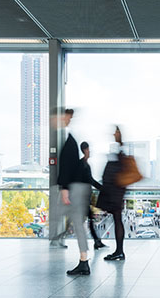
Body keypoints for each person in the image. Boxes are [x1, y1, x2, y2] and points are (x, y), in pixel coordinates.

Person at [53, 109, 92, 275]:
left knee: (75, 223)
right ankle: (83, 260)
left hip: (74, 190)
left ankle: (83, 261)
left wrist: (64, 189)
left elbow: (67, 168)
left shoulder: (69, 141)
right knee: (77, 224)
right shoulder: (69, 140)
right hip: (77, 189)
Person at [97, 126, 127, 261]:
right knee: (117, 220)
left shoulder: (120, 152)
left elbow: (113, 173)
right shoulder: (120, 153)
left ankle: (119, 251)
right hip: (117, 193)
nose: (114, 134)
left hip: (115, 193)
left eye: (116, 132)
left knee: (117, 220)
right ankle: (119, 251)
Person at [79, 141, 107, 250]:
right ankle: (58, 237)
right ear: (85, 150)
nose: (89, 151)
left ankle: (97, 241)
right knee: (83, 220)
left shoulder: (84, 164)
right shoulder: (83, 164)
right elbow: (90, 180)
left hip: (85, 196)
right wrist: (102, 188)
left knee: (88, 220)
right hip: (83, 197)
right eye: (88, 149)